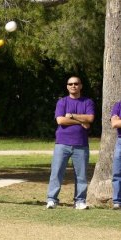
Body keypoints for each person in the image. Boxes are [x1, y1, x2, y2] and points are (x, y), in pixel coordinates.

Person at [46, 76, 94, 210]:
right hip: (62, 143)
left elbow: (90, 118)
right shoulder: (62, 102)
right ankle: (52, 199)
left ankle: (80, 201)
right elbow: (60, 121)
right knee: (56, 172)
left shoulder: (87, 102)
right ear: (67, 86)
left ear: (81, 86)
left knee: (81, 175)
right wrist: (80, 121)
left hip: (81, 144)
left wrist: (71, 116)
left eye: (76, 83)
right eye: (70, 84)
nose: (73, 86)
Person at [110, 101, 121, 210]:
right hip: (120, 141)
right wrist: (117, 121)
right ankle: (117, 201)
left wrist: (119, 120)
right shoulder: (118, 105)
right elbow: (114, 124)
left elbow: (118, 122)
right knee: (117, 173)